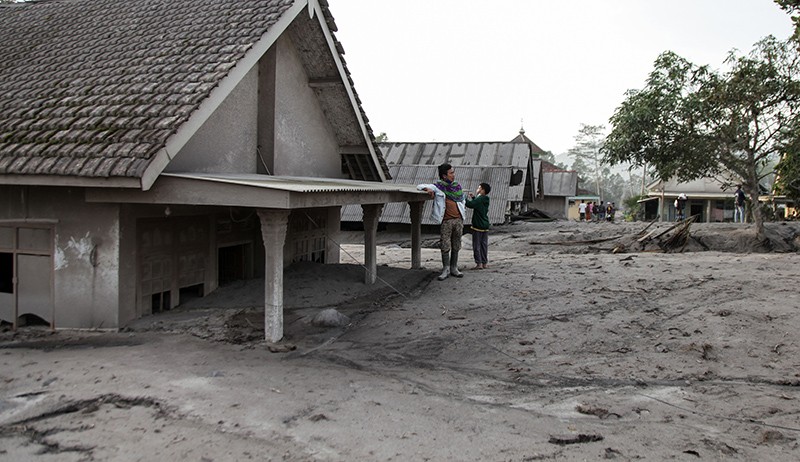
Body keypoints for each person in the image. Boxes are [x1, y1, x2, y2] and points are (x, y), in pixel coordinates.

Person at [418, 163, 466, 281]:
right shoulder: (438, 187)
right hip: (446, 221)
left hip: (458, 220)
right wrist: (427, 189)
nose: (453, 175)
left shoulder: (457, 187)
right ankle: (446, 269)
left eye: (453, 172)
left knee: (456, 244)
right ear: (444, 176)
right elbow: (419, 185)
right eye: (451, 173)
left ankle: (454, 267)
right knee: (445, 244)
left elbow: (462, 200)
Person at [466, 182, 491, 269]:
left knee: (476, 245)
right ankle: (484, 263)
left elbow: (470, 205)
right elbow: (478, 204)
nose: (478, 189)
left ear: (483, 190)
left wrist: (463, 198)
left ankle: (479, 263)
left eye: (479, 188)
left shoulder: (479, 199)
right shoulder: (485, 199)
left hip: (478, 225)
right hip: (485, 225)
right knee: (484, 245)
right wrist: (473, 197)